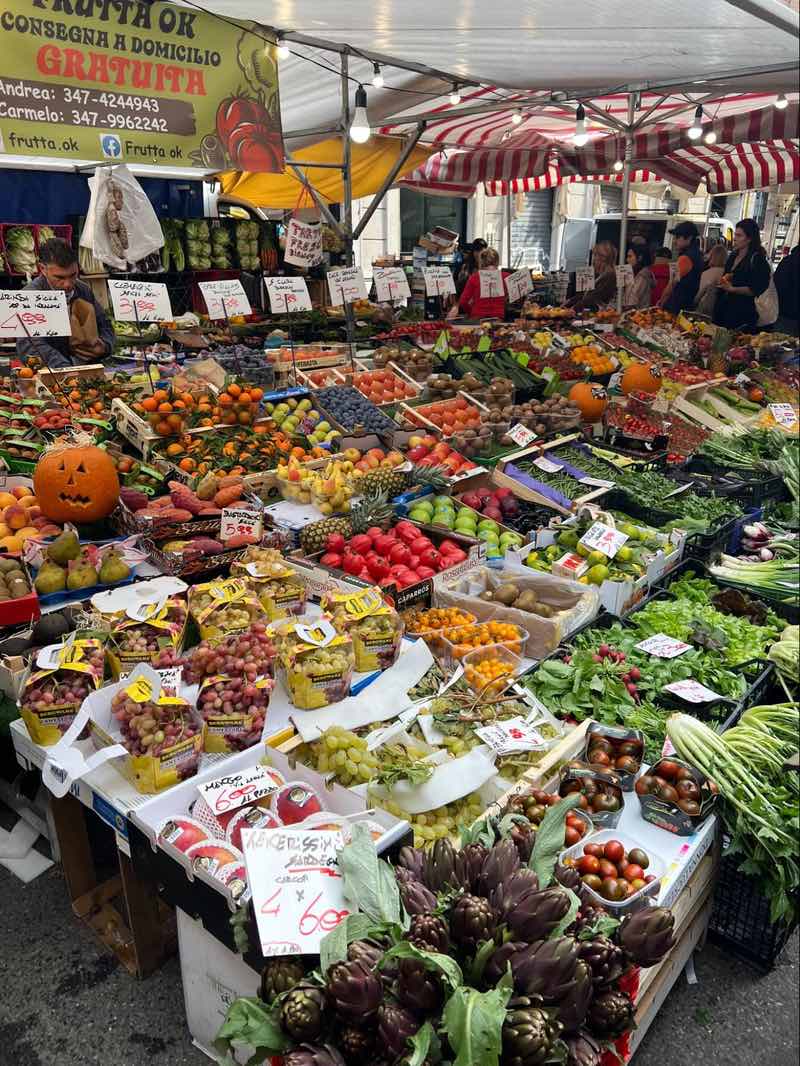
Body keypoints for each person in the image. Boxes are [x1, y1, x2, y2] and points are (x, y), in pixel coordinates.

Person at [16, 238, 115, 368]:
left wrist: (104, 345)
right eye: (60, 277)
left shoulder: (82, 289)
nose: (68, 284)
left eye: (73, 275)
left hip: (88, 373)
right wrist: (66, 370)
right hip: (53, 377)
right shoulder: (30, 297)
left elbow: (105, 325)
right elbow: (30, 345)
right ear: (42, 269)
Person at [714, 218, 772, 332]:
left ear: (749, 238)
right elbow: (728, 275)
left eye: (739, 235)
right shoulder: (733, 255)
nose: (735, 238)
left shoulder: (757, 259)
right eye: (735, 234)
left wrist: (733, 289)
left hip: (742, 315)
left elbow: (756, 288)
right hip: (723, 309)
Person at [659, 221, 703, 314]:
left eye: (678, 237)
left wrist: (661, 301)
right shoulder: (698, 254)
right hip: (687, 305)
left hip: (676, 307)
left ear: (689, 238)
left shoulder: (686, 258)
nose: (674, 241)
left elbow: (672, 284)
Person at [450, 247, 506, 319]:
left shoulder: (474, 277)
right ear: (497, 261)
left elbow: (463, 302)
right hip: (498, 318)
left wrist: (471, 312)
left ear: (481, 261)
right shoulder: (506, 277)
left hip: (477, 318)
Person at [568, 241, 617, 311]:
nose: (593, 259)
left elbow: (593, 298)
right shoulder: (602, 274)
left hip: (600, 314)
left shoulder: (609, 275)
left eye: (595, 255)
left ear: (603, 258)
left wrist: (573, 309)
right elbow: (584, 295)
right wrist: (570, 301)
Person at [694, 245, 728, 317]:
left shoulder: (706, 273)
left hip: (705, 310)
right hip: (722, 312)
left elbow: (700, 295)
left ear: (712, 256)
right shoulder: (727, 274)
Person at [773, 244, 799, 335]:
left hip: (785, 317)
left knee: (781, 346)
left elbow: (776, 287)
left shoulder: (787, 262)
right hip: (788, 317)